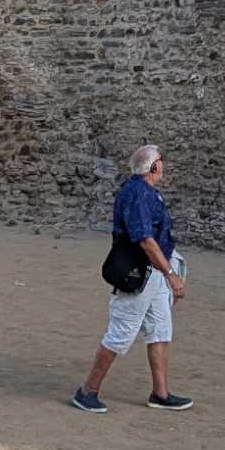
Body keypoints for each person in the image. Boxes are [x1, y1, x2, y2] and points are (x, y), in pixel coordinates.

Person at [73, 143, 193, 413]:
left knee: (160, 329)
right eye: (161, 161)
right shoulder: (137, 194)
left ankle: (160, 394)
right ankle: (87, 391)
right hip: (140, 272)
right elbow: (145, 240)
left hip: (154, 273)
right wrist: (171, 275)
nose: (163, 165)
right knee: (121, 332)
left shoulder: (146, 192)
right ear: (154, 167)